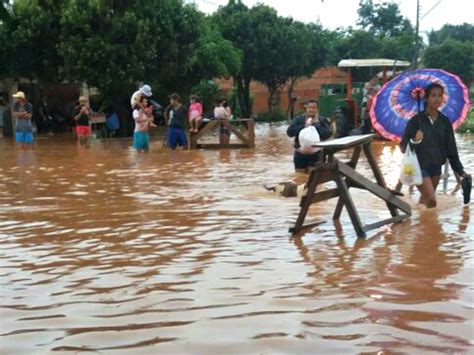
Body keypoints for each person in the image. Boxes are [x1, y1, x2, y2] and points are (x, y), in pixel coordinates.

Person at [400, 83, 471, 208]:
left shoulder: (445, 122)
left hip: (436, 168)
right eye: (433, 95)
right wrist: (415, 141)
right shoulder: (416, 121)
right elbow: (403, 146)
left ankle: (419, 222)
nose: (437, 99)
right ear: (426, 98)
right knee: (432, 201)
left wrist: (461, 172)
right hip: (419, 167)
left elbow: (451, 150)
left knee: (425, 203)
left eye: (439, 96)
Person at [286, 99, 332, 173]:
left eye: (314, 108)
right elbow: (289, 133)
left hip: (316, 155)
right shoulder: (298, 119)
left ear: (317, 109)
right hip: (300, 154)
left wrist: (316, 124)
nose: (311, 110)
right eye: (309, 108)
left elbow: (327, 134)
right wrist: (304, 126)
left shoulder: (322, 120)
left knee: (314, 178)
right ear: (306, 108)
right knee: (300, 178)